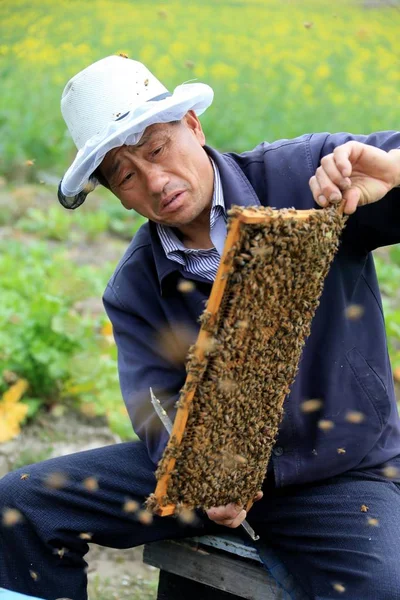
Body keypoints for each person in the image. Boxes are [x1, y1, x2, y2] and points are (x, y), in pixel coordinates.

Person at [1, 54, 400, 600]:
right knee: (21, 503)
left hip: (337, 473)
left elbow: (387, 170)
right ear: (116, 196)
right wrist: (200, 475)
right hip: (211, 480)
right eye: (126, 175)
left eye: (157, 150)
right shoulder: (135, 286)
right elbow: (155, 408)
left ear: (192, 124)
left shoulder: (305, 174)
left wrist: (394, 175)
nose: (155, 181)